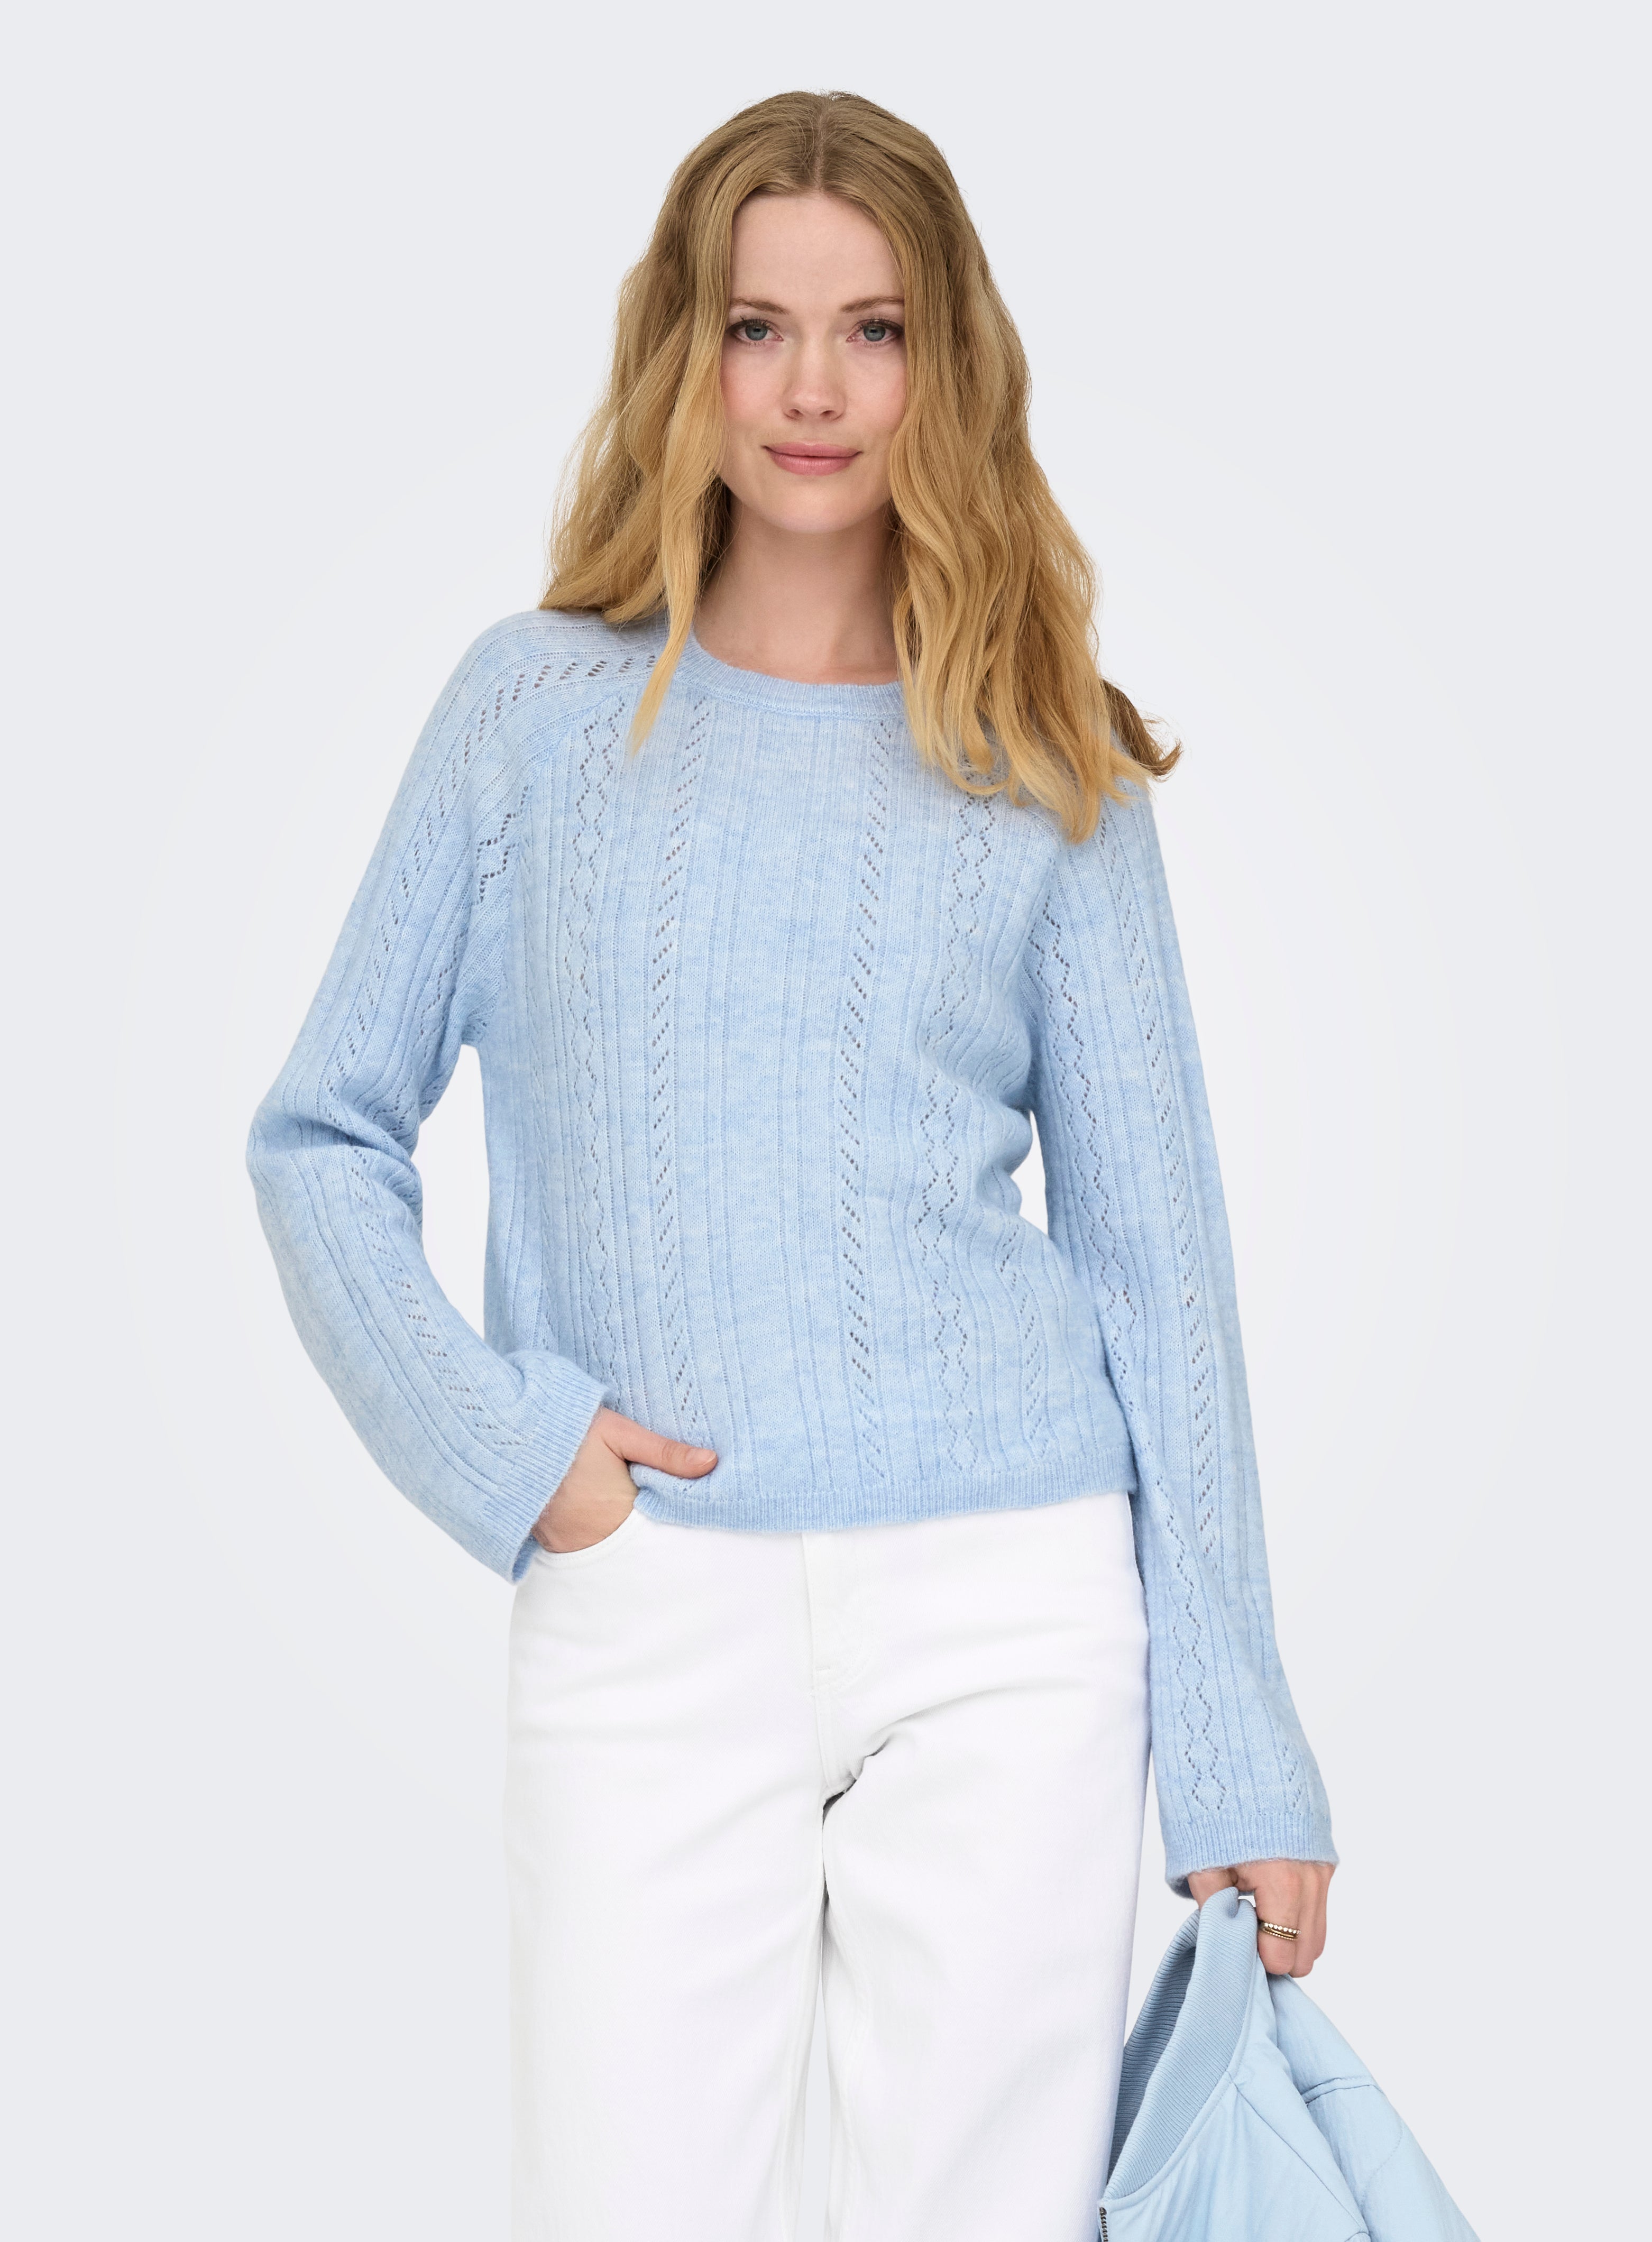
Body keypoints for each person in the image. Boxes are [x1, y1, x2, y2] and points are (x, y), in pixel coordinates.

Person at [247, 88, 1336, 2242]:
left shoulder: (1044, 748)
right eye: (759, 327)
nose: (813, 389)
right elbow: (320, 1136)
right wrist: (517, 1451)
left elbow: (1159, 1268)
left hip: (1013, 1606)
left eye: (873, 329)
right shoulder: (528, 720)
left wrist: (1238, 1736)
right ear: (687, 352)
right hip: (649, 1595)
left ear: (950, 366)